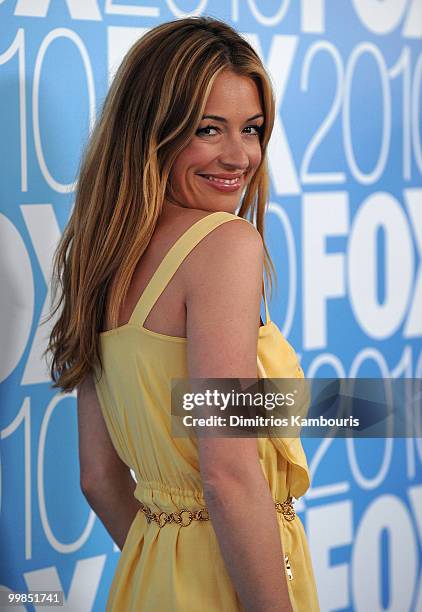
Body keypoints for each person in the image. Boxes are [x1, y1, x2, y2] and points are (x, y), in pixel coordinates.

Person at [44, 16, 320, 612]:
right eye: (207, 129)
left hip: (151, 579)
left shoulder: (98, 259)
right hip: (233, 583)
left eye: (252, 129)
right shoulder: (225, 244)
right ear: (152, 131)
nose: (239, 155)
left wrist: (171, 562)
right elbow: (228, 472)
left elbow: (98, 478)